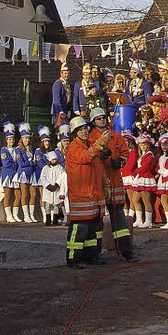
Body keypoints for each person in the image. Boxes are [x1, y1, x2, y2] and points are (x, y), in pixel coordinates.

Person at [88, 106, 137, 260]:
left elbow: (125, 154)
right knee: (96, 219)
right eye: (98, 118)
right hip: (99, 181)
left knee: (119, 220)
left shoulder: (116, 136)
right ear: (93, 122)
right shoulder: (90, 138)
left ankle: (126, 252)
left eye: (103, 117)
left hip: (114, 181)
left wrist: (120, 162)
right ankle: (95, 253)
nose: (101, 120)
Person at [65, 115, 109, 270]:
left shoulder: (90, 144)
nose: (84, 131)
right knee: (79, 229)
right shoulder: (74, 147)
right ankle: (73, 257)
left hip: (95, 195)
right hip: (81, 195)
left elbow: (99, 164)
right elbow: (86, 157)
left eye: (85, 128)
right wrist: (99, 144)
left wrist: (105, 182)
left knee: (94, 229)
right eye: (80, 129)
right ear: (74, 132)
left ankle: (91, 255)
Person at [132, 132, 157, 229]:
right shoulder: (142, 155)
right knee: (135, 200)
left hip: (145, 178)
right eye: (141, 144)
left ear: (148, 145)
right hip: (139, 178)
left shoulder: (149, 155)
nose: (143, 146)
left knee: (146, 200)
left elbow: (145, 168)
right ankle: (139, 220)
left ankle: (148, 221)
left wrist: (136, 170)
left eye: (145, 144)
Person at [15, 122, 38, 223]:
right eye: (25, 138)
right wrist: (31, 162)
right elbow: (21, 163)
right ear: (21, 139)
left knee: (33, 194)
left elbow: (35, 161)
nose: (27, 140)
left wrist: (32, 163)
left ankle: (32, 215)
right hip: (23, 173)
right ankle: (26, 215)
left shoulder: (32, 149)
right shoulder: (18, 150)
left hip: (31, 173)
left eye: (28, 138)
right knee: (24, 194)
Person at [39, 151, 67, 226]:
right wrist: (48, 185)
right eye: (52, 160)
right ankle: (48, 220)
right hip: (48, 190)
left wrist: (57, 185)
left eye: (55, 159)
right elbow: (43, 177)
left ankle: (55, 220)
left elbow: (61, 176)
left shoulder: (60, 168)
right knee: (47, 205)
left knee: (56, 205)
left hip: (56, 189)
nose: (54, 161)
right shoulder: (45, 168)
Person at [0, 121, 20, 223]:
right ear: (6, 140)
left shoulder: (17, 149)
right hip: (8, 174)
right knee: (8, 195)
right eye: (9, 139)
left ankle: (15, 214)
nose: (11, 141)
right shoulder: (3, 150)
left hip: (16, 174)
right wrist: (16, 165)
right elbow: (6, 163)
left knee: (18, 195)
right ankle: (8, 215)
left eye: (12, 139)